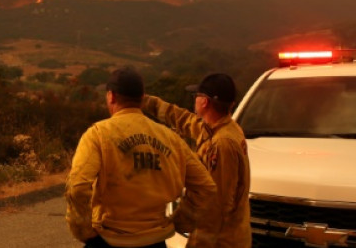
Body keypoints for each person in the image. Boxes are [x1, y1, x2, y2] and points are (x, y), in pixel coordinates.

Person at [66, 67, 219, 248]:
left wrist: (84, 231)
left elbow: (78, 187)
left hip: (109, 239)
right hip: (155, 241)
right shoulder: (170, 138)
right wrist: (180, 222)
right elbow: (206, 187)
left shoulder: (98, 134)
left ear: (111, 96)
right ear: (142, 98)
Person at [142, 73, 250, 248]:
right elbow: (182, 119)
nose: (194, 99)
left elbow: (214, 205)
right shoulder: (221, 128)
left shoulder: (222, 143)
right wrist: (145, 101)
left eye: (196, 95)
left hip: (219, 241)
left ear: (205, 102)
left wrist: (172, 224)